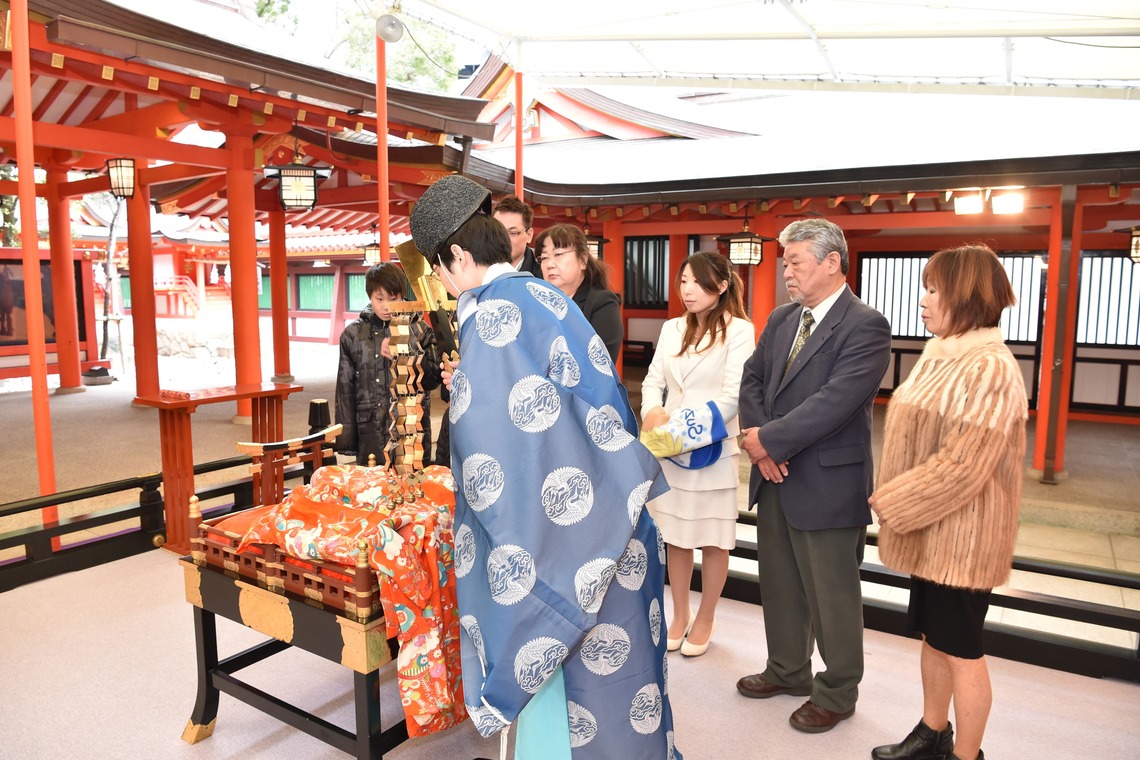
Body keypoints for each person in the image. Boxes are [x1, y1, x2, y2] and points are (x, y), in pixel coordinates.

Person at [410, 174, 681, 759]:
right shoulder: (543, 295)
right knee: (626, 685)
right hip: (616, 515)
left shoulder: (490, 316)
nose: (442, 284)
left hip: (570, 549)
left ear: (457, 255)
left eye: (438, 269)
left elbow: (491, 459)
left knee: (573, 702)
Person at [869, 244, 1027, 760]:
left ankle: (967, 754)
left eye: (934, 290)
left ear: (966, 296)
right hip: (931, 531)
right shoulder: (942, 354)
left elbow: (964, 465)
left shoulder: (990, 367)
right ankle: (933, 732)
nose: (924, 300)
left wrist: (894, 499)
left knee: (962, 650)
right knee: (933, 637)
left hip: (965, 537)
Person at [735, 218, 892, 733]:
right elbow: (753, 379)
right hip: (775, 472)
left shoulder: (865, 325)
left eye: (795, 262)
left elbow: (836, 401)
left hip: (827, 479)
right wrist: (759, 443)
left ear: (831, 262)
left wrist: (770, 441)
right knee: (780, 583)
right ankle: (787, 669)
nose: (787, 272)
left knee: (832, 595)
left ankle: (838, 691)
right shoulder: (782, 318)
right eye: (785, 263)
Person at [639, 251, 753, 657]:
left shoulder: (739, 331)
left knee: (714, 539)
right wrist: (652, 413)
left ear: (721, 285)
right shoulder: (672, 328)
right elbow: (652, 381)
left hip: (712, 448)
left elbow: (733, 397)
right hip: (668, 448)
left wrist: (677, 432)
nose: (687, 290)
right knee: (676, 536)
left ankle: (706, 616)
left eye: (697, 282)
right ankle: (680, 613)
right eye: (683, 281)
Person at [334, 263, 441, 466]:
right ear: (370, 297)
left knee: (414, 482)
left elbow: (434, 379)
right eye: (379, 299)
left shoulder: (420, 329)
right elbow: (345, 391)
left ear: (402, 296)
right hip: (370, 430)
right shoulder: (352, 335)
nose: (386, 306)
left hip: (411, 428)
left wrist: (405, 353)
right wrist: (346, 440)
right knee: (373, 483)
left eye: (393, 299)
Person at [534, 223, 623, 362]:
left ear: (583, 260)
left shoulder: (603, 303)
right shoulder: (537, 302)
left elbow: (599, 361)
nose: (549, 264)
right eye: (544, 257)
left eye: (558, 254)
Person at [493, 193, 543, 277]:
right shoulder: (476, 267)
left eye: (513, 233)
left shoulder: (544, 273)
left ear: (529, 235)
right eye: (498, 232)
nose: (503, 240)